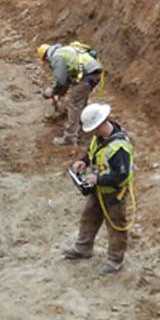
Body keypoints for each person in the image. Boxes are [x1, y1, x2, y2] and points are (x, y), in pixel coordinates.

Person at [63, 103, 134, 274]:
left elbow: (121, 176)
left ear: (102, 123)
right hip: (98, 190)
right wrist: (83, 161)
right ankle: (83, 248)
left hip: (114, 194)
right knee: (89, 218)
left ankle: (115, 260)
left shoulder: (119, 148)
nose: (92, 133)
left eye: (94, 129)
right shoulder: (100, 139)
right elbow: (91, 152)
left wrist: (98, 179)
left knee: (116, 226)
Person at [35, 42, 104, 145]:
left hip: (88, 75)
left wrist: (53, 91)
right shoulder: (64, 51)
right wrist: (59, 94)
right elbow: (66, 80)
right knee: (80, 102)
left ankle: (69, 138)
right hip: (93, 72)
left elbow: (61, 80)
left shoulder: (56, 57)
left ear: (45, 58)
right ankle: (83, 128)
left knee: (74, 104)